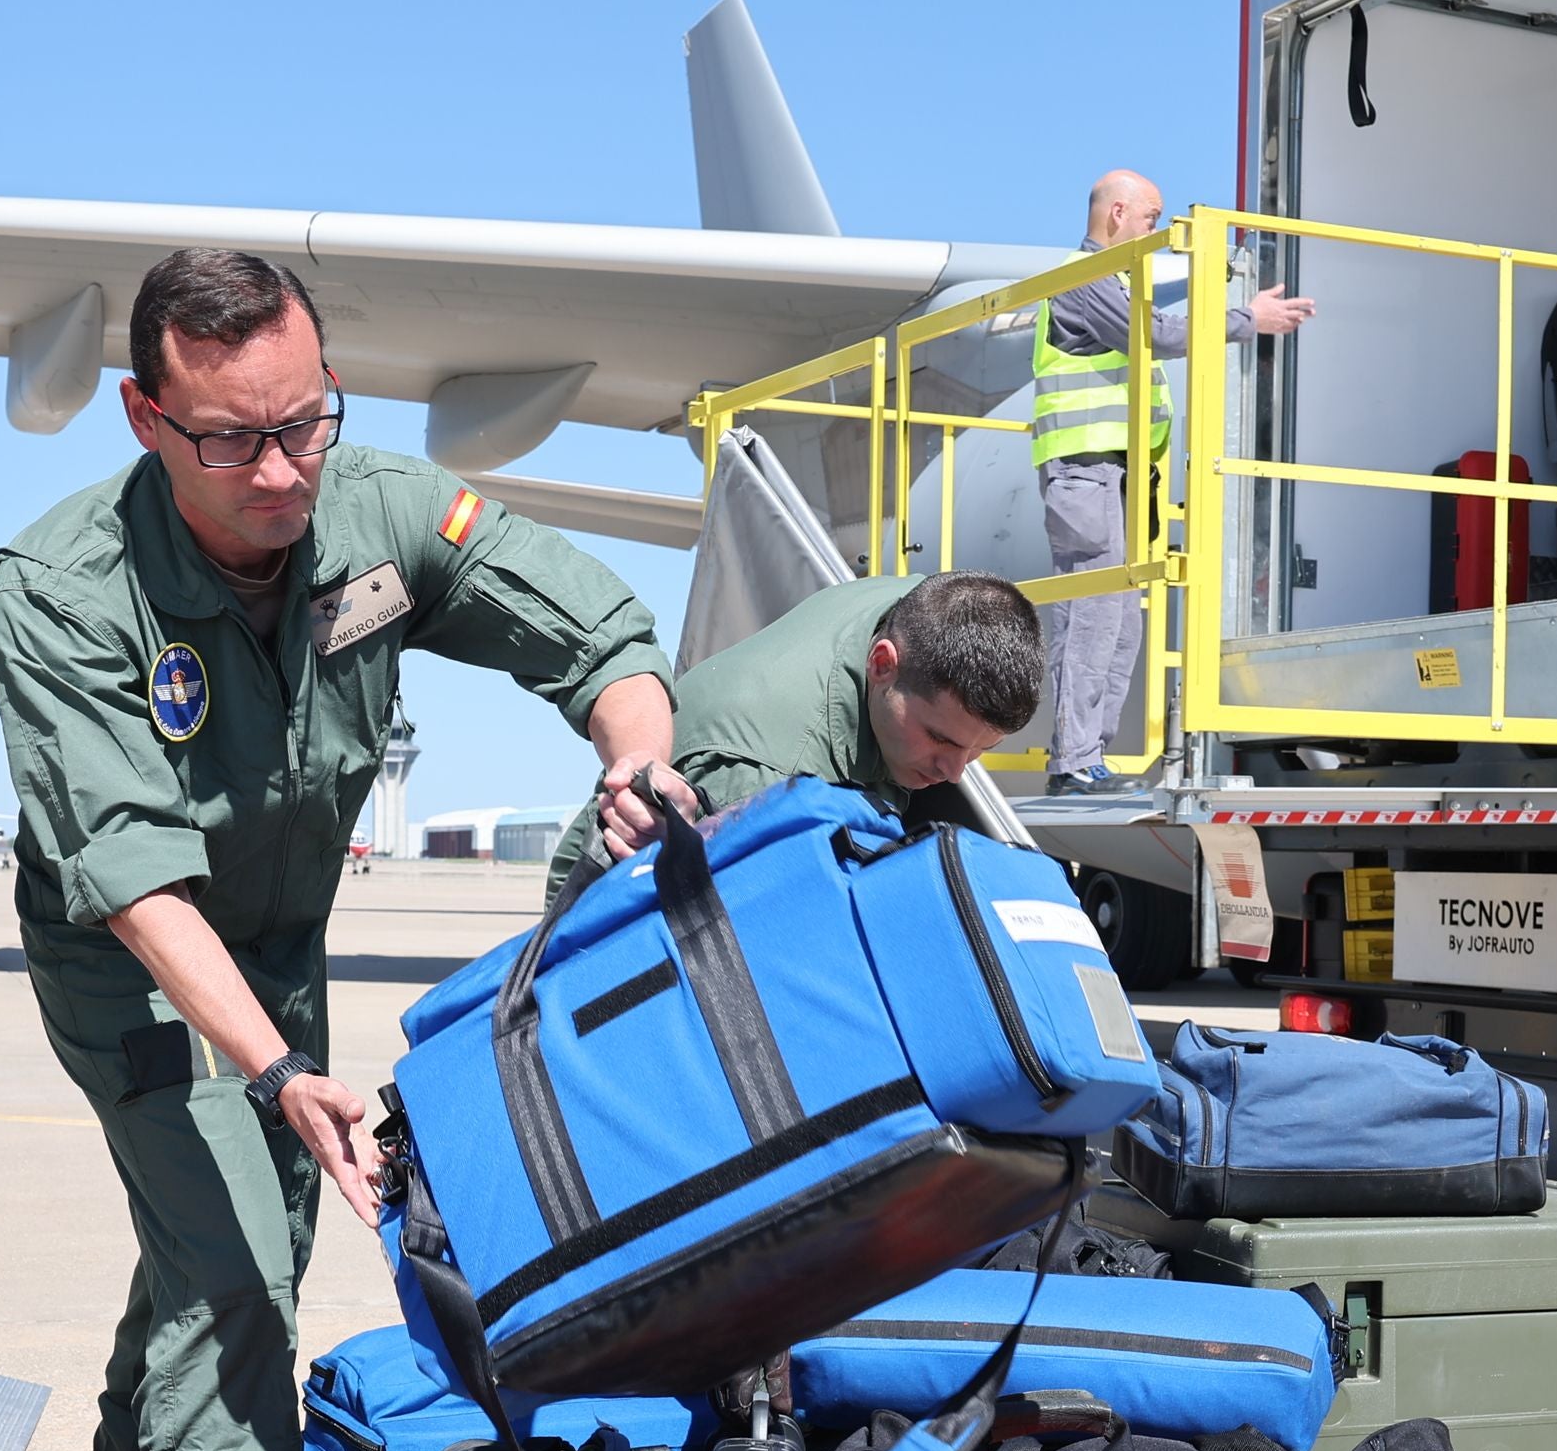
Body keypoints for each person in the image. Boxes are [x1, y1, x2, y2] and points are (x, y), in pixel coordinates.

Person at [0, 247, 678, 1451]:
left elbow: (598, 632)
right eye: (233, 442)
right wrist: (282, 1069)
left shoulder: (381, 513)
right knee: (238, 1264)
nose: (284, 469)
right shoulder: (61, 592)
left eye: (307, 424)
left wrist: (633, 764)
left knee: (238, 1249)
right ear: (147, 418)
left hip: (282, 944)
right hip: (134, 964)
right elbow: (136, 881)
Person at [1030, 170, 1312, 794]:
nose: (1154, 231)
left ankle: (1086, 758)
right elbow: (1154, 336)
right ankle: (1073, 762)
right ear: (1117, 215)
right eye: (1150, 219)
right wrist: (1246, 319)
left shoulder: (1113, 280)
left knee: (1122, 620)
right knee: (1094, 614)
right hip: (1085, 471)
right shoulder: (1086, 277)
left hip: (1117, 475)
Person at [542, 571, 1041, 903]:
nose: (954, 772)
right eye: (941, 740)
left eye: (980, 750)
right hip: (600, 913)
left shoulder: (932, 610)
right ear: (882, 663)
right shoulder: (771, 776)